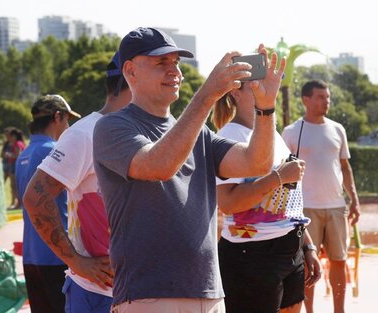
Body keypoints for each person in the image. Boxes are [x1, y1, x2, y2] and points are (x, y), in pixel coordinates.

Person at [92, 27, 285, 312]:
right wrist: (207, 95)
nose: (175, 72)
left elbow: (256, 163)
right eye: (161, 63)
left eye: (176, 63)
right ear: (130, 71)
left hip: (208, 292)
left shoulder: (199, 132)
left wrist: (265, 109)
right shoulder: (112, 126)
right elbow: (159, 165)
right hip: (149, 295)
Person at [22, 52, 131, 313]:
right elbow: (35, 198)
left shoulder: (27, 152)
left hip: (38, 253)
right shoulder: (78, 136)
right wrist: (77, 261)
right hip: (74, 269)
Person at [212, 83, 322, 313]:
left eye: (267, 84)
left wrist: (308, 247)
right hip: (251, 255)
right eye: (255, 86)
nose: (265, 89)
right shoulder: (229, 136)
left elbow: (287, 202)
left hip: (290, 247)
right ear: (235, 92)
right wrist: (277, 177)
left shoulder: (271, 134)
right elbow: (228, 203)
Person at [281, 79, 360, 313]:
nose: (327, 101)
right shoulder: (292, 132)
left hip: (336, 206)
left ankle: (339, 311)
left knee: (339, 260)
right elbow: (282, 170)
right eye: (321, 97)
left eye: (328, 97)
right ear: (306, 100)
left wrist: (354, 199)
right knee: (307, 263)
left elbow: (345, 167)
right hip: (305, 209)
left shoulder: (338, 129)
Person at [15, 94, 80, 313]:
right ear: (57, 116)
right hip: (57, 254)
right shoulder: (54, 151)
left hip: (32, 254)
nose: (68, 126)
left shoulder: (24, 154)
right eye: (67, 119)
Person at [5, 127, 26, 209]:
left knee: (15, 186)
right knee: (14, 186)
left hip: (16, 166)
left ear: (14, 136)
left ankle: (17, 204)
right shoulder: (18, 143)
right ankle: (16, 203)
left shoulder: (17, 144)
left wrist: (9, 155)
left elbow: (18, 156)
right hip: (15, 166)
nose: (8, 138)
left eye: (9, 136)